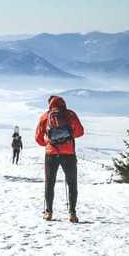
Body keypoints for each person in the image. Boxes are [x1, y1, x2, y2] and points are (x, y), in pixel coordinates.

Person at [34, 94, 85, 222]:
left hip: (51, 154)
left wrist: (48, 143)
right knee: (72, 183)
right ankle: (72, 214)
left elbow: (38, 138)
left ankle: (49, 212)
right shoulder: (70, 114)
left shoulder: (46, 116)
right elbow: (80, 131)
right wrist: (68, 137)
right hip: (69, 154)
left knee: (49, 183)